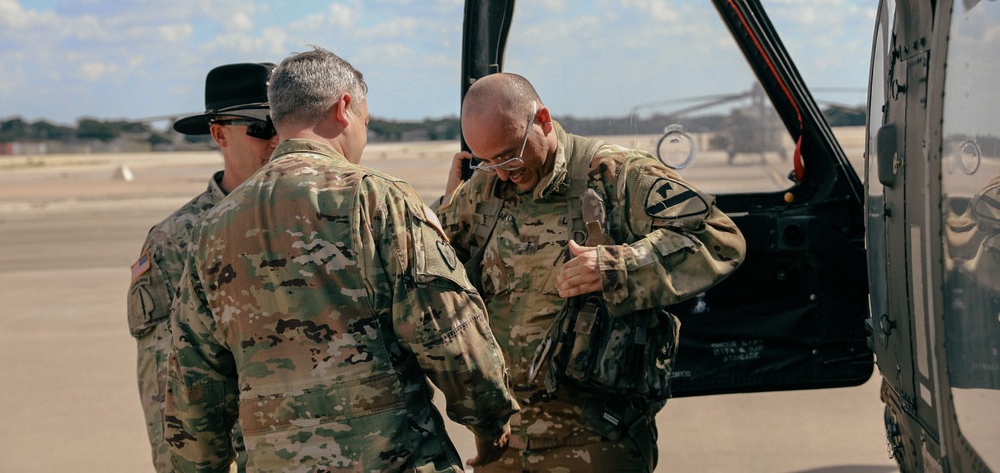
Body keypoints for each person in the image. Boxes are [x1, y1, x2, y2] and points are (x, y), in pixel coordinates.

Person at [164, 46, 519, 472]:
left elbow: (194, 382)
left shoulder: (212, 229)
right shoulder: (378, 199)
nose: (364, 137)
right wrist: (491, 422)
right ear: (343, 107)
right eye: (365, 123)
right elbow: (449, 333)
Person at [435, 72, 747, 472]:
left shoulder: (619, 175)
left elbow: (719, 239)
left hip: (595, 435)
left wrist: (617, 267)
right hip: (506, 437)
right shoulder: (485, 187)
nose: (502, 172)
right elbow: (442, 266)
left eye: (510, 156)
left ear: (543, 120)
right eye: (488, 160)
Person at [127, 62, 279, 472]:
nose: (278, 138)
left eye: (287, 122)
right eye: (263, 125)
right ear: (219, 134)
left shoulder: (324, 215)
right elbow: (167, 387)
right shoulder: (176, 240)